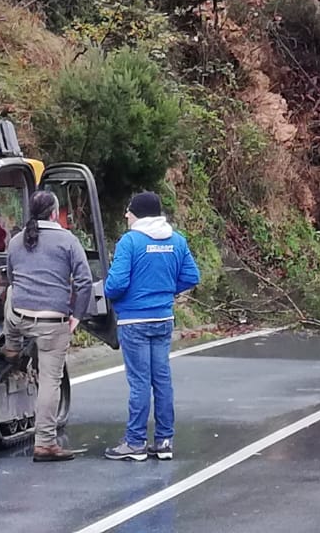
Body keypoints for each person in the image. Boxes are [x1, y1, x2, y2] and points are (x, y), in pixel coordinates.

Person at [102, 191, 200, 462]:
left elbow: (116, 284)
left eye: (129, 211)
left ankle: (135, 442)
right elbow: (192, 275)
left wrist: (109, 292)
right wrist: (166, 291)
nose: (126, 215)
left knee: (139, 382)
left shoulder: (130, 242)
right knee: (162, 380)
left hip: (134, 320)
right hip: (163, 319)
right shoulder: (176, 241)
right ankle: (165, 440)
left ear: (138, 214)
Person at [4, 189, 93, 463]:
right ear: (55, 214)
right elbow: (84, 281)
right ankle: (45, 444)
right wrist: (76, 315)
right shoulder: (67, 240)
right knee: (49, 382)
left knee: (10, 293)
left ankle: (11, 347)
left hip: (19, 317)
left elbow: (10, 276)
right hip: (51, 323)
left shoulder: (16, 240)